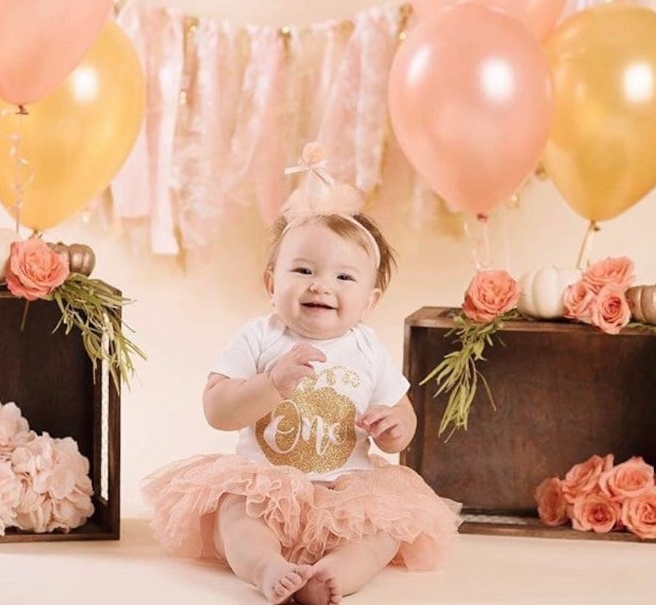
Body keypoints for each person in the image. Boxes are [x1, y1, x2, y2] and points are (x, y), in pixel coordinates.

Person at [142, 143, 461, 605]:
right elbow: (217, 409)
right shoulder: (259, 337)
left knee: (385, 527)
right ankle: (266, 566)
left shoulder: (367, 347)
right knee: (237, 517)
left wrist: (393, 429)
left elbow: (403, 420)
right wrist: (270, 384)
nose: (321, 285)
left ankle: (340, 573)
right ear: (273, 284)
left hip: (345, 489)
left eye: (344, 278)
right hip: (266, 482)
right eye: (304, 269)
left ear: (370, 301)